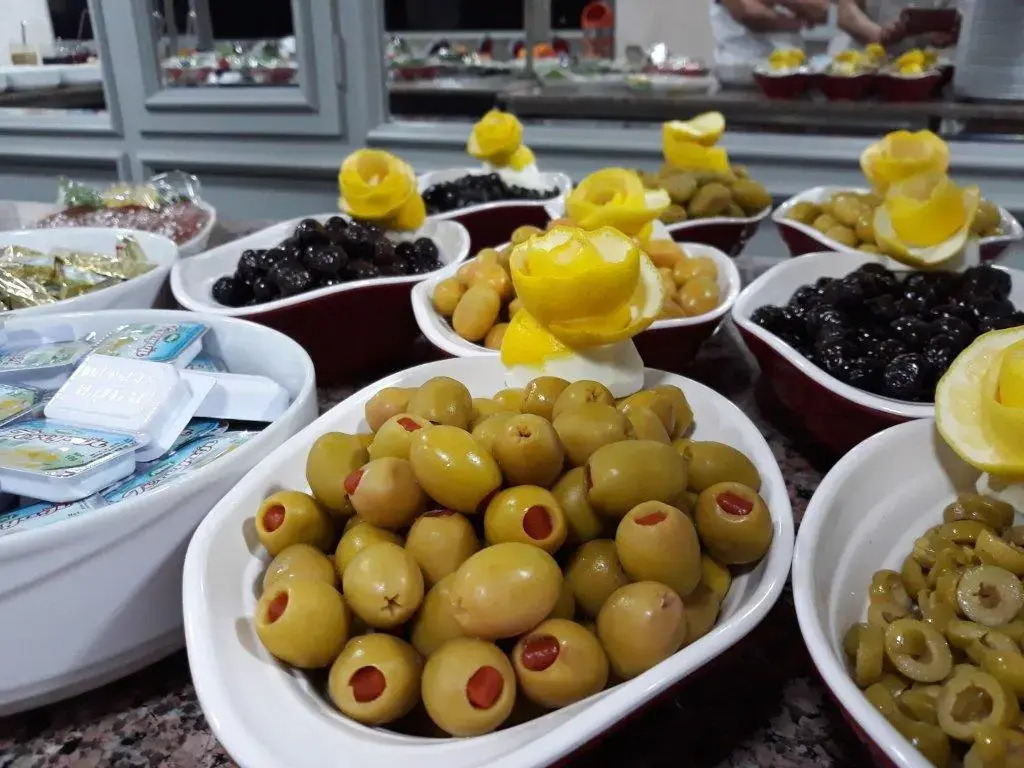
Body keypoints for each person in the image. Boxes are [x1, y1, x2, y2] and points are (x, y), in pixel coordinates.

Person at [711, 0, 829, 65]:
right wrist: (797, 18)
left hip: (792, 64)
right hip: (743, 67)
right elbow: (748, 13)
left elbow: (821, 10)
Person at [835, 0, 959, 52]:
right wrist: (879, 35)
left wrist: (950, 32)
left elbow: (959, 17)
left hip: (925, 74)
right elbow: (846, 10)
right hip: (864, 68)